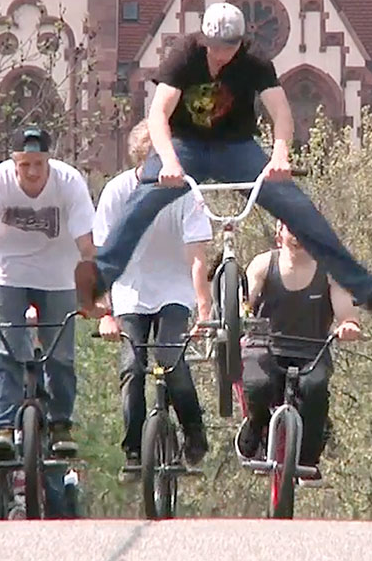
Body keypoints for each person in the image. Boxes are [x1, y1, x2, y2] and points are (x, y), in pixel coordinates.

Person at [73, 2, 372, 321]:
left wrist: (279, 156)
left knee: (297, 208)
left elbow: (281, 114)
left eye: (228, 47)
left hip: (236, 148)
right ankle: (99, 279)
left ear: (240, 43)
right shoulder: (185, 54)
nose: (220, 54)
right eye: (214, 46)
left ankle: (367, 290)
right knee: (143, 200)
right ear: (203, 40)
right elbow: (158, 114)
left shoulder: (255, 63)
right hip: (184, 145)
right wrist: (170, 162)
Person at [0, 127, 95, 460]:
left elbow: (87, 247)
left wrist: (96, 299)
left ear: (49, 161)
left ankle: (61, 424)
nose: (31, 172)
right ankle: (2, 426)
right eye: (24, 164)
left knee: (60, 356)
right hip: (7, 274)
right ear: (14, 162)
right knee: (4, 352)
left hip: (58, 275)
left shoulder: (69, 183)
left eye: (38, 164)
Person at [94, 119, 213, 479]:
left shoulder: (187, 194)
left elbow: (196, 257)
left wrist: (204, 308)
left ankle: (194, 432)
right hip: (130, 291)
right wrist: (105, 312)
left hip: (174, 291)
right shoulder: (117, 193)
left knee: (171, 359)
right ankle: (133, 451)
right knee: (132, 367)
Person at [236, 220, 364, 484]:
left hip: (312, 351)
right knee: (259, 386)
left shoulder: (329, 272)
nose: (298, 236)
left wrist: (349, 325)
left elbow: (345, 312)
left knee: (315, 389)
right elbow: (242, 304)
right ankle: (255, 426)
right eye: (291, 228)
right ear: (279, 233)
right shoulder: (263, 265)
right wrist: (240, 315)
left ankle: (308, 459)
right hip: (264, 348)